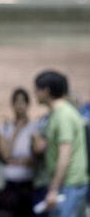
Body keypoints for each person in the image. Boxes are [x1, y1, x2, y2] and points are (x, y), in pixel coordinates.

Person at [34, 70, 88, 217]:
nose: (35, 94)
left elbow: (65, 155)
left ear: (46, 91)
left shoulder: (63, 115)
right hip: (67, 184)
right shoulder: (57, 114)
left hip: (69, 185)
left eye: (37, 89)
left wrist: (53, 189)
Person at [0, 88, 37, 217]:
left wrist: (18, 160)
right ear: (12, 105)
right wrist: (16, 131)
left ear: (28, 104)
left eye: (23, 102)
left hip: (28, 184)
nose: (20, 105)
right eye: (17, 102)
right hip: (9, 184)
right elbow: (6, 154)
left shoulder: (35, 127)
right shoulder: (5, 127)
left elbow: (34, 158)